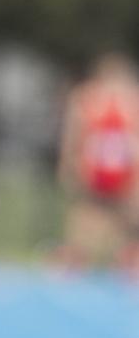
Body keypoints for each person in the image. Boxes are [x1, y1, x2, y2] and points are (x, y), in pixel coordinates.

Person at [56, 53, 139, 271]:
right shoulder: (87, 98)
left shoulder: (87, 98)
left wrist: (68, 165)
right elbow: (74, 135)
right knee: (90, 217)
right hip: (104, 169)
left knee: (117, 218)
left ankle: (121, 259)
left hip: (112, 169)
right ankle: (76, 260)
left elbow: (72, 136)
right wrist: (69, 165)